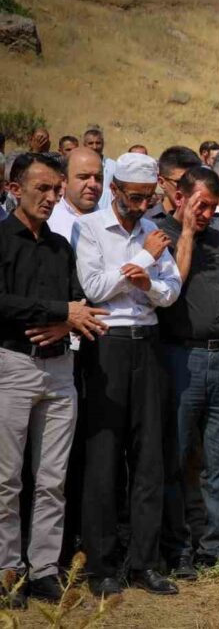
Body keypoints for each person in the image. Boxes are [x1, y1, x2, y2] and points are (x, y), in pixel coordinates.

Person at [0, 154, 108, 607]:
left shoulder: (61, 245)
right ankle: (7, 571)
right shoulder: (2, 241)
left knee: (51, 478)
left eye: (55, 189)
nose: (51, 197)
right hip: (14, 367)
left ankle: (44, 569)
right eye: (41, 189)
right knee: (7, 479)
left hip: (60, 368)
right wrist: (60, 313)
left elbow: (78, 301)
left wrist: (66, 322)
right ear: (14, 188)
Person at [72, 152, 182, 596]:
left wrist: (146, 283)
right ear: (115, 190)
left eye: (147, 198)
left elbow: (170, 291)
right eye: (133, 198)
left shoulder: (154, 232)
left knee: (149, 456)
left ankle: (143, 561)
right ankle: (100, 565)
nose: (140, 206)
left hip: (147, 344)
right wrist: (141, 258)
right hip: (107, 344)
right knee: (103, 456)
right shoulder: (91, 228)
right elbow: (94, 287)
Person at [156, 166, 219, 578]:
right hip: (181, 357)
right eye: (199, 205)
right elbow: (173, 283)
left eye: (212, 207)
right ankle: (176, 548)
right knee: (175, 457)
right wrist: (188, 232)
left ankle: (214, 547)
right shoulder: (159, 234)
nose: (205, 213)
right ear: (179, 196)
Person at [47, 148, 102, 244]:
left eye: (98, 178)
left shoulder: (115, 224)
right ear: (64, 181)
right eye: (83, 177)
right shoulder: (48, 223)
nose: (93, 184)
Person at [146, 145, 202, 221]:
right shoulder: (145, 223)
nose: (190, 189)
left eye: (196, 182)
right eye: (181, 182)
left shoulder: (212, 222)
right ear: (162, 182)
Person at [84, 129, 117, 210]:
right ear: (84, 145)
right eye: (90, 143)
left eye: (98, 143)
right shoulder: (80, 165)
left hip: (108, 211)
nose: (95, 147)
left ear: (103, 144)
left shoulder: (113, 165)